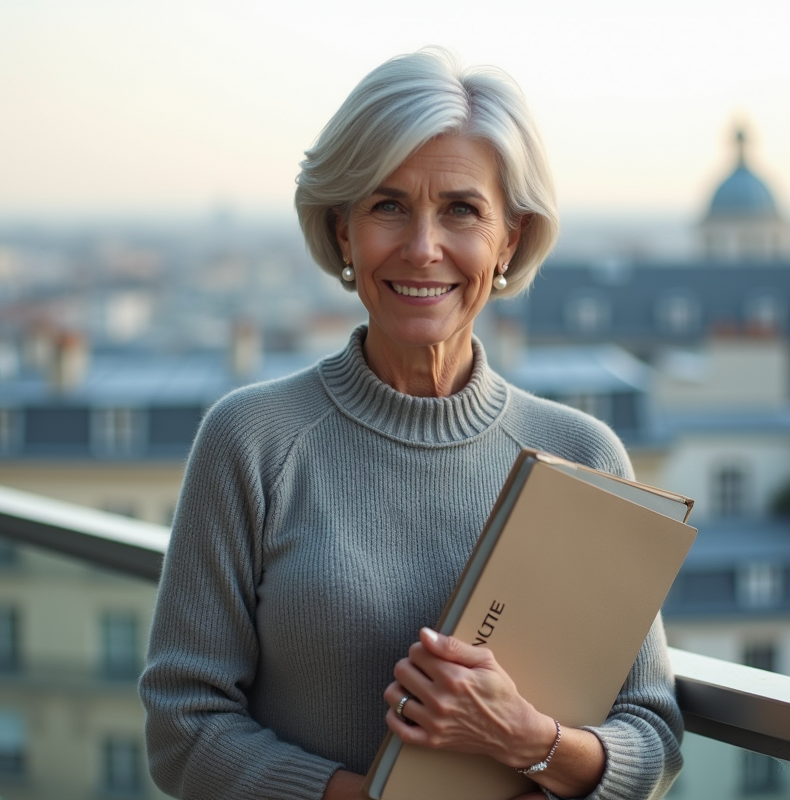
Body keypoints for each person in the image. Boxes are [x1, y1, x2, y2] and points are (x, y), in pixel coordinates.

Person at [139, 48, 683, 800]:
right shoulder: (251, 441)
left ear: (511, 241)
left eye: (462, 209)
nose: (422, 247)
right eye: (387, 205)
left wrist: (526, 739)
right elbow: (181, 730)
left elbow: (653, 737)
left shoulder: (583, 453)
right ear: (342, 234)